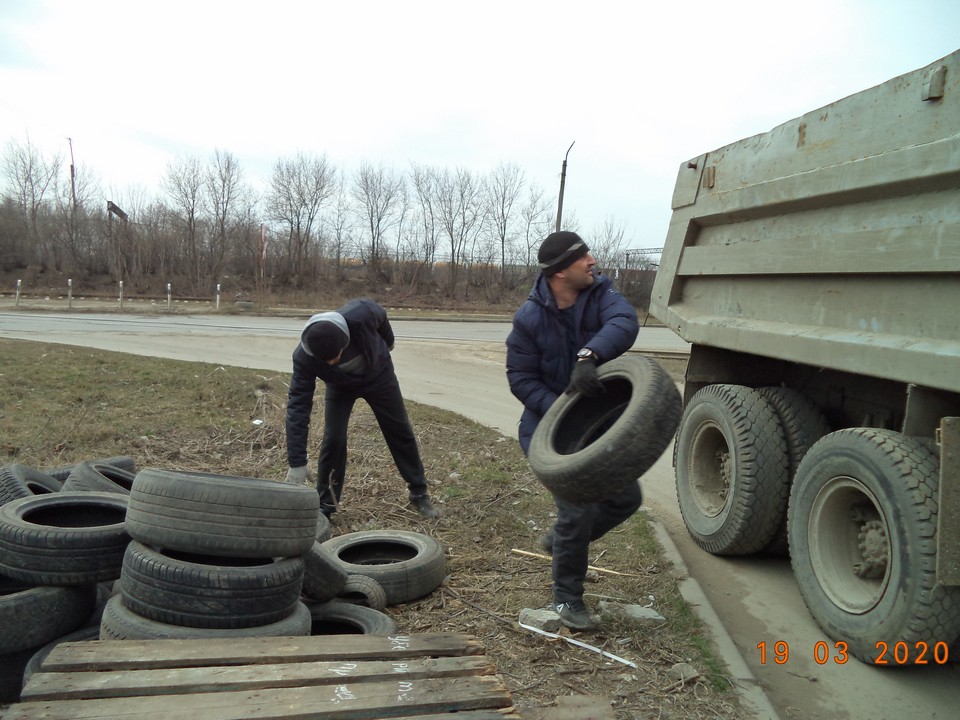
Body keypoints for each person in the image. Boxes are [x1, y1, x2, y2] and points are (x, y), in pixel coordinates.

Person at [506, 230, 641, 631]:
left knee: (626, 498)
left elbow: (625, 322)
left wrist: (589, 354)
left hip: (597, 428)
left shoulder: (602, 295)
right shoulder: (529, 318)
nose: (593, 261)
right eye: (583, 257)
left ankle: (561, 542)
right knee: (577, 508)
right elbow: (520, 377)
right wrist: (562, 410)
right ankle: (566, 600)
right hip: (547, 432)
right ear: (561, 271)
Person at [285, 298, 440, 519]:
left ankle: (419, 493)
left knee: (399, 431)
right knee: (334, 439)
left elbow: (383, 319)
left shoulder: (362, 313)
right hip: (340, 388)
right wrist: (297, 461)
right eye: (325, 360)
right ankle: (326, 506)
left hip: (379, 378)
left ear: (344, 340)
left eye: (334, 357)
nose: (330, 363)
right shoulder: (304, 358)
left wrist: (388, 344)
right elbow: (297, 407)